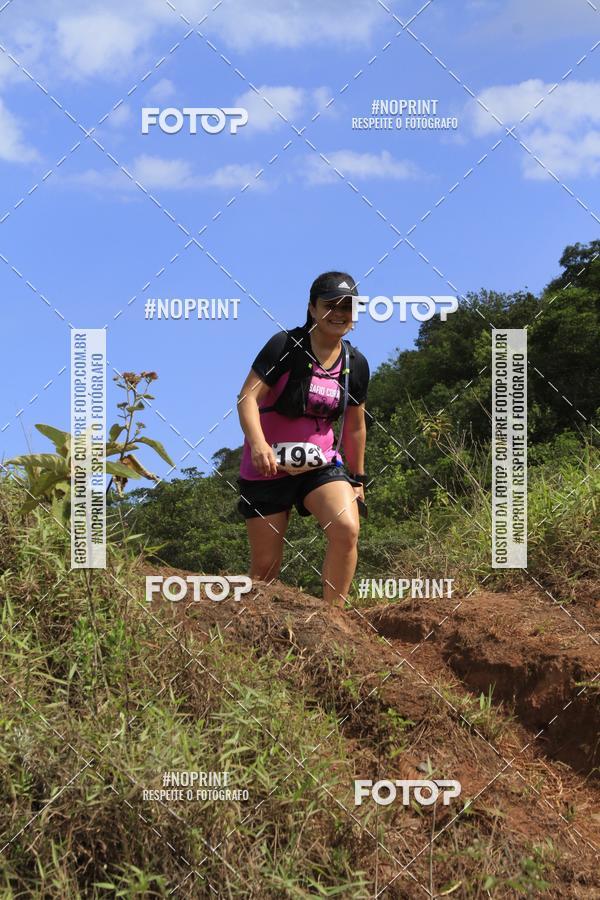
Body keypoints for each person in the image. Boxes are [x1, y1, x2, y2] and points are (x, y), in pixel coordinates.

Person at [236, 271, 370, 607]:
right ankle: (256, 631)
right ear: (312, 308)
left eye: (348, 307)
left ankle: (334, 621)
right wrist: (258, 445)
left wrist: (357, 478)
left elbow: (355, 426)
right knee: (265, 568)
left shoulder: (356, 364)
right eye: (330, 305)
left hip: (321, 465)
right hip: (267, 466)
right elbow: (247, 399)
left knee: (346, 529)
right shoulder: (284, 346)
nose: (339, 313)